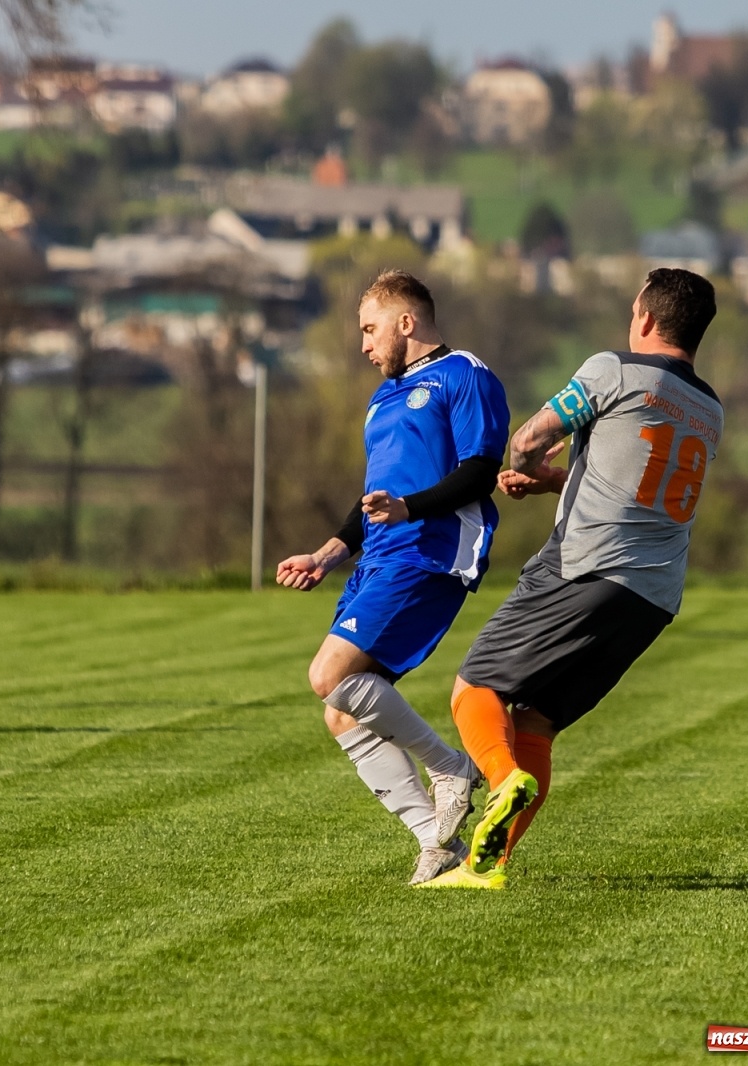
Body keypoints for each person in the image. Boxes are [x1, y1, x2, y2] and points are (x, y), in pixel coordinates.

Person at [421, 267, 722, 890]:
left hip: (584, 564)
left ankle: (504, 784)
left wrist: (526, 465)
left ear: (645, 317)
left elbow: (531, 437)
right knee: (535, 723)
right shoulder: (708, 409)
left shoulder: (614, 369)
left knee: (474, 689)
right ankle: (487, 867)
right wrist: (558, 483)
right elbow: (638, 489)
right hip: (653, 596)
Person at [276, 269, 510, 885]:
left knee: (328, 676)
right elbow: (373, 498)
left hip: (431, 551)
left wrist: (410, 510)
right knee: (342, 712)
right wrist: (329, 553)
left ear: (407, 323)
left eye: (369, 329)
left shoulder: (465, 375)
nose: (363, 345)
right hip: (381, 554)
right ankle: (439, 847)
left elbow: (482, 470)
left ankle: (451, 768)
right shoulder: (384, 397)